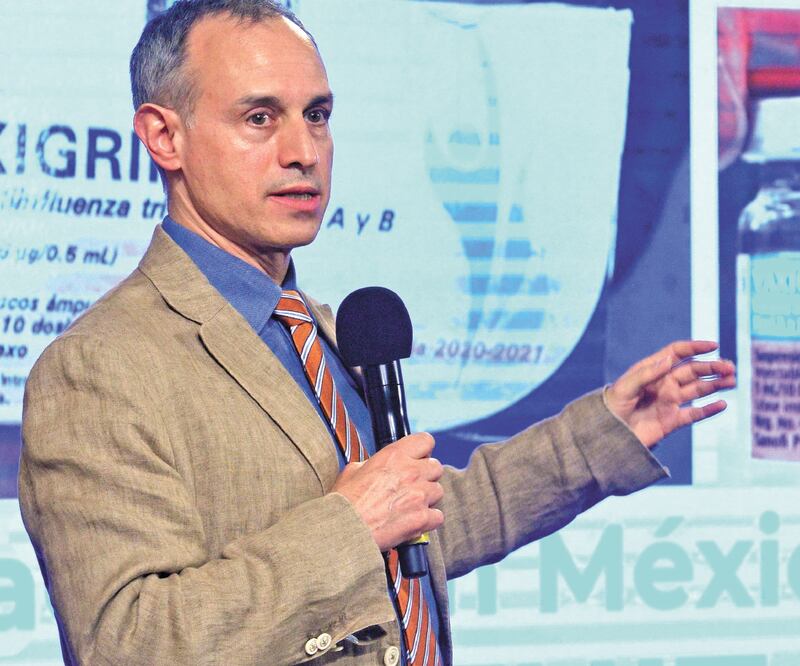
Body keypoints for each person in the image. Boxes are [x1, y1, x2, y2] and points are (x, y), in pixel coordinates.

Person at [17, 1, 736, 665]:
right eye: (260, 118)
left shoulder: (317, 330)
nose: (304, 150)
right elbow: (129, 643)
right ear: (164, 136)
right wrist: (349, 524)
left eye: (318, 114)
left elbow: (418, 534)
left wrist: (603, 431)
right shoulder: (99, 367)